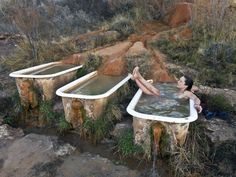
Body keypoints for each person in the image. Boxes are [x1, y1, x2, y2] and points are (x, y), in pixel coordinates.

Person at [132, 67, 202, 113]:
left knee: (154, 91)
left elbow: (197, 99)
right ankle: (137, 78)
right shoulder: (181, 89)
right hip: (168, 99)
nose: (178, 81)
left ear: (185, 85)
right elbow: (194, 87)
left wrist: (197, 105)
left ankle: (138, 77)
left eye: (180, 81)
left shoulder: (187, 93)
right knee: (152, 92)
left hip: (170, 103)